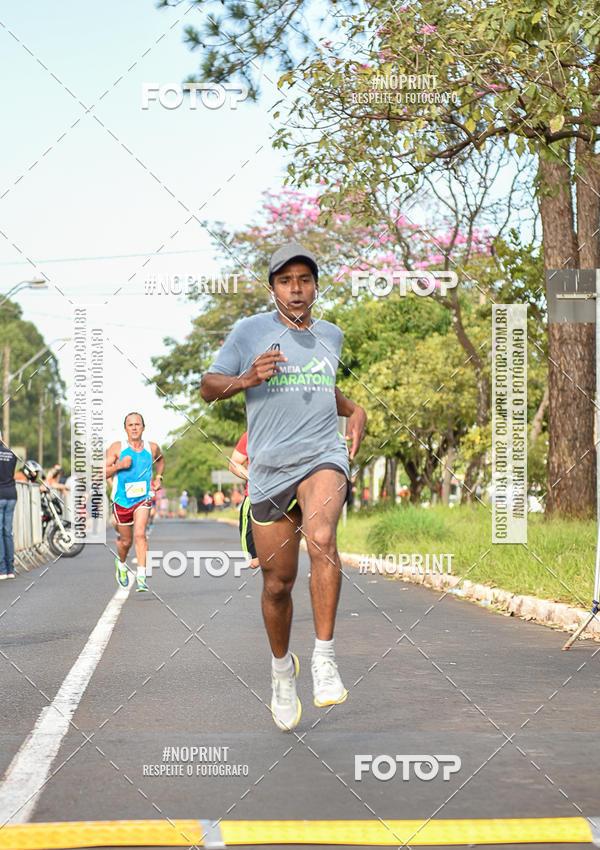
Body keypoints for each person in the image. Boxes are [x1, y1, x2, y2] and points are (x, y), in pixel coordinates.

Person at [201, 241, 366, 731]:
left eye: (305, 280)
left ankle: (324, 658)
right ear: (273, 287)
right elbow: (209, 386)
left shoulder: (331, 335)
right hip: (270, 467)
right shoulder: (250, 331)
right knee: (277, 584)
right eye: (286, 281)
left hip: (323, 455)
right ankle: (281, 671)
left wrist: (354, 409)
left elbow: (322, 388)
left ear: (315, 286)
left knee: (322, 539)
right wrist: (246, 377)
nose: (297, 289)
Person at [105, 413, 164, 592]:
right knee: (126, 542)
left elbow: (161, 460)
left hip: (143, 498)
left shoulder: (152, 448)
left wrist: (159, 477)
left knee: (140, 534)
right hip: (122, 500)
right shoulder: (117, 448)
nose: (134, 427)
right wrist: (119, 466)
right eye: (130, 425)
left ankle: (141, 576)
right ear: (125, 429)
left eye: (137, 424)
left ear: (143, 427)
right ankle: (121, 563)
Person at [229, 430, 260, 570]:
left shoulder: (293, 430)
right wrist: (253, 477)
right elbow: (234, 463)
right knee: (254, 562)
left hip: (287, 498)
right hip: (255, 498)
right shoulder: (251, 434)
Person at [0, 432, 17, 579]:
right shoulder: (11, 454)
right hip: (11, 494)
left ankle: (2, 570)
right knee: (8, 531)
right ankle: (11, 569)